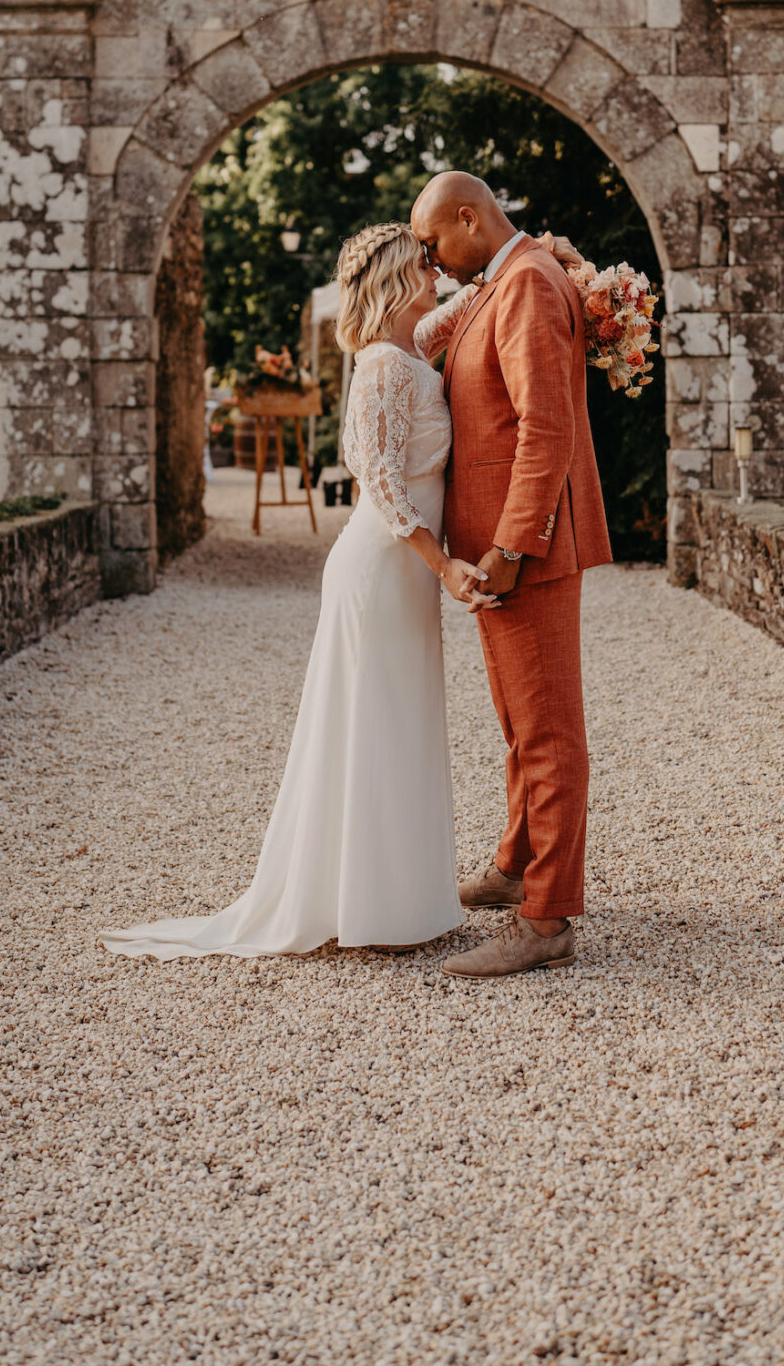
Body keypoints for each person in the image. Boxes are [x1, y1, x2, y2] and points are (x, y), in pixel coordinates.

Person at [100, 222, 491, 959]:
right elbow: (378, 481)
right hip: (383, 568)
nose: (439, 274)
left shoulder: (413, 349)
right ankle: (368, 905)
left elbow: (467, 307)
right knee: (376, 722)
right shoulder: (382, 364)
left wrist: (540, 260)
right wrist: (444, 566)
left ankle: (397, 898)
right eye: (426, 265)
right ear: (399, 281)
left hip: (404, 573)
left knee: (399, 720)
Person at [411, 173, 612, 979]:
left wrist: (508, 546)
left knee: (549, 733)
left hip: (526, 549)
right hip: (504, 553)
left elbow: (546, 428)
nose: (430, 258)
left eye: (432, 242)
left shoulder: (527, 281)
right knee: (518, 725)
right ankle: (515, 865)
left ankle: (548, 919)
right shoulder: (503, 280)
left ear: (470, 216)